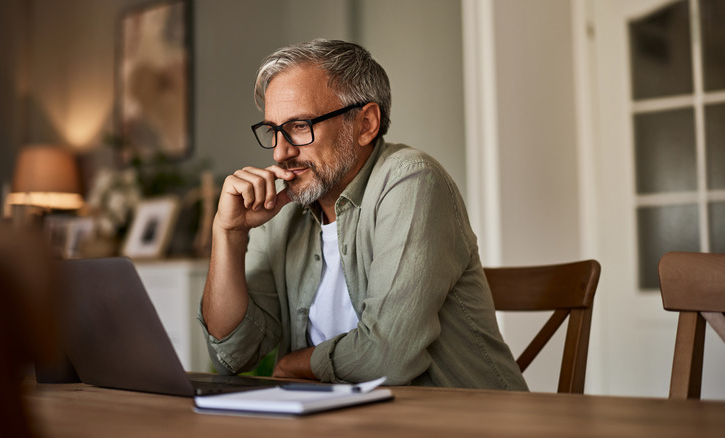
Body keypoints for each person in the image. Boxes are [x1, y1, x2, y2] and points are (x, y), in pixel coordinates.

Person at [198, 39, 527, 390]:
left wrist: (298, 364)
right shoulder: (282, 208)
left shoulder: (411, 180)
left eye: (299, 126)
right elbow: (232, 355)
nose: (280, 152)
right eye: (273, 131)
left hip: (462, 420)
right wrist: (228, 232)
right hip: (342, 418)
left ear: (366, 123)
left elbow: (387, 358)